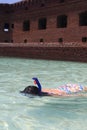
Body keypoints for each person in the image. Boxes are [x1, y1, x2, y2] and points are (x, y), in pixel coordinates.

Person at [20, 77, 87, 96]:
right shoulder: (41, 90)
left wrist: (83, 96)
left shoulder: (51, 94)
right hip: (65, 86)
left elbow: (64, 95)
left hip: (69, 90)